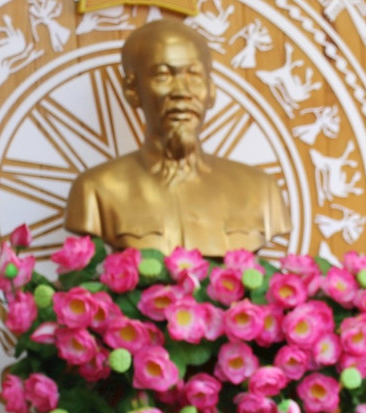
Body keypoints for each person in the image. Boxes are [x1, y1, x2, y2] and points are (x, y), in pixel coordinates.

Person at [65, 19, 289, 256]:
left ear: (211, 90)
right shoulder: (96, 190)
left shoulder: (261, 191)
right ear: (132, 91)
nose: (182, 91)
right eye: (163, 75)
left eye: (194, 74)